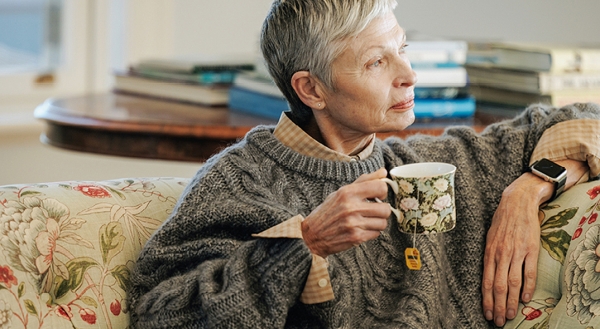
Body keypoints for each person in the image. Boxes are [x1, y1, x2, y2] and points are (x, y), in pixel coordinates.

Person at [128, 0, 600, 328]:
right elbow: (159, 314)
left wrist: (528, 190)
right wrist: (304, 243)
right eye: (377, 62)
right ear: (311, 89)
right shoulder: (240, 181)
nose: (409, 76)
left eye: (403, 49)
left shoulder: (438, 161)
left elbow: (583, 117)